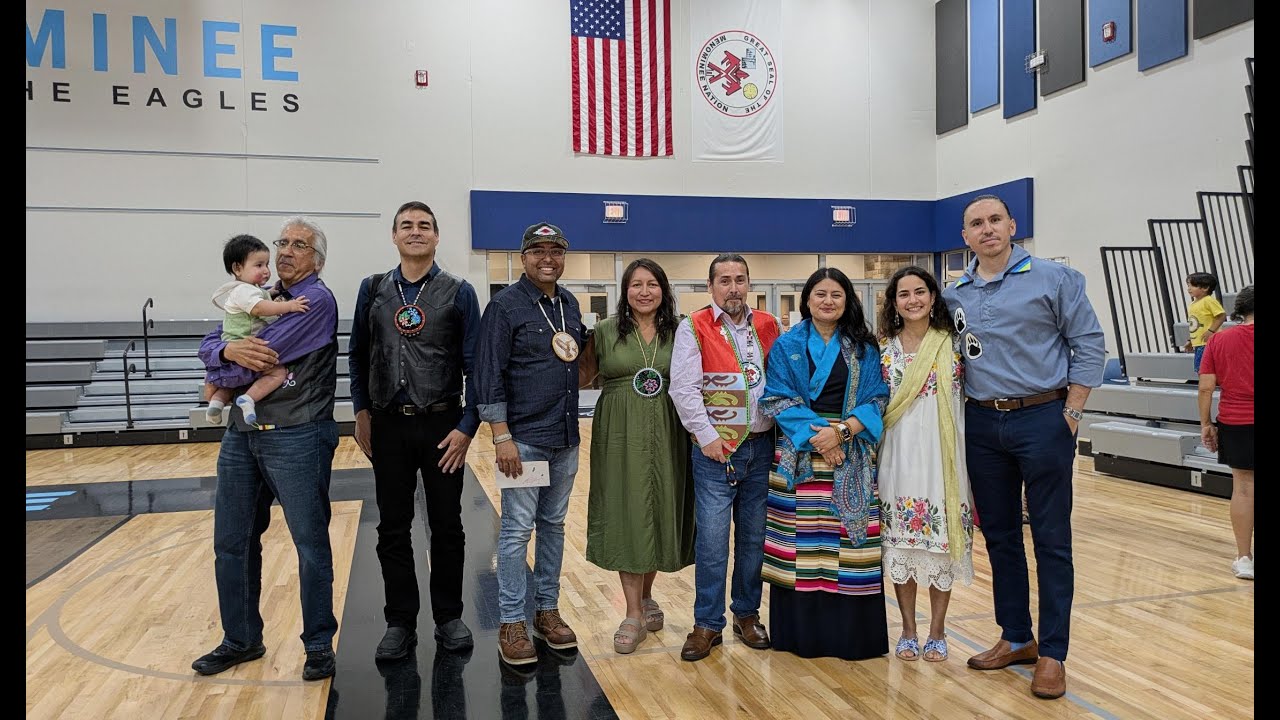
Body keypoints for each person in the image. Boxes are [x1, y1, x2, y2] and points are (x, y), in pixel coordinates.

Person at [943, 194, 1105, 700]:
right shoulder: (955, 294)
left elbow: (1090, 344)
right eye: (976, 223)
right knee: (1001, 539)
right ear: (965, 236)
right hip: (982, 424)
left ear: (1013, 225)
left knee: (1052, 541)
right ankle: (1016, 636)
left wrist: (1071, 414)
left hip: (1043, 417)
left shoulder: (1055, 279)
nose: (987, 229)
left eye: (995, 220)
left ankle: (1054, 653)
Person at [191, 216, 341, 681]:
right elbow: (214, 339)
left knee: (310, 544)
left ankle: (318, 644)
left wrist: (224, 364)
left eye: (299, 244)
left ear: (316, 258)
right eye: (282, 242)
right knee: (231, 542)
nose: (286, 251)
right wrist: (223, 354)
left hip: (297, 434)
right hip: (242, 434)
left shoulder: (312, 302)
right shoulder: (257, 295)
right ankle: (240, 639)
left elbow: (260, 356)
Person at [348, 201, 482, 660]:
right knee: (392, 527)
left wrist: (467, 427)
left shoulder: (460, 292)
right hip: (388, 424)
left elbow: (475, 366)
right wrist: (361, 411)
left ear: (437, 236)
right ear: (394, 236)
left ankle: (449, 617)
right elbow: (358, 356)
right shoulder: (372, 290)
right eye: (407, 225)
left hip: (444, 425)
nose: (416, 232)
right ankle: (400, 621)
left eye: (424, 226)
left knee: (447, 526)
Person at [758, 267, 889, 660]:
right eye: (820, 294)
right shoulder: (787, 345)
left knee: (849, 547)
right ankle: (802, 636)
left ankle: (851, 637)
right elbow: (777, 398)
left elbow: (878, 398)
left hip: (851, 453)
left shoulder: (864, 347)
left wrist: (843, 433)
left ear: (848, 300)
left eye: (836, 294)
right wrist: (821, 437)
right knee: (802, 545)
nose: (828, 301)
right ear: (807, 300)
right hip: (800, 458)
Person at [475, 221, 584, 666]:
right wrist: (501, 436)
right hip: (522, 440)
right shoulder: (504, 306)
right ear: (523, 258)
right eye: (538, 251)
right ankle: (511, 621)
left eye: (555, 251)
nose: (548, 259)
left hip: (565, 438)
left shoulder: (570, 304)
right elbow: (487, 373)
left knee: (554, 526)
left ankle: (547, 611)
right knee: (518, 529)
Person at [578, 258, 695, 654]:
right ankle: (632, 613)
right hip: (620, 432)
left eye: (652, 284)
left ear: (664, 290)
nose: (644, 291)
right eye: (635, 285)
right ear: (624, 291)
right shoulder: (604, 332)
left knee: (659, 507)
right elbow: (580, 376)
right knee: (629, 511)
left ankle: (646, 596)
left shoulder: (683, 332)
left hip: (669, 429)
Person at [669, 254, 782, 662]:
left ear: (749, 283)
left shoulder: (769, 325)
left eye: (740, 280)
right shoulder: (694, 326)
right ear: (711, 285)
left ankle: (746, 615)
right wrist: (707, 436)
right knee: (714, 542)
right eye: (724, 280)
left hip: (761, 445)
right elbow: (683, 389)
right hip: (716, 452)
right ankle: (706, 623)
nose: (733, 287)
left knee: (753, 540)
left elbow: (782, 379)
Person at [877, 265, 974, 663]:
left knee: (940, 545)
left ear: (934, 298)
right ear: (894, 303)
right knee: (902, 544)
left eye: (920, 292)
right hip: (898, 454)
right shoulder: (882, 349)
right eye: (904, 294)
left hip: (944, 455)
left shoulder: (953, 344)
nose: (913, 300)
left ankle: (937, 631)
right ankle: (908, 630)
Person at [204, 234, 310, 425]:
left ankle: (216, 404)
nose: (266, 271)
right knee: (278, 373)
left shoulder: (247, 290)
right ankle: (249, 399)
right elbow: (260, 308)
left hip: (233, 346)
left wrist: (271, 294)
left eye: (267, 264)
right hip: (244, 346)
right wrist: (289, 306)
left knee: (229, 383)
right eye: (259, 265)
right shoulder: (244, 291)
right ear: (237, 268)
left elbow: (261, 299)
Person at [1198, 285, 1254, 580]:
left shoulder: (1219, 340)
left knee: (1244, 488)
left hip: (1237, 420)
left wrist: (1206, 424)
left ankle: (1244, 558)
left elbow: (1206, 387)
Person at [1183, 272, 1227, 372]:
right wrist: (1191, 340)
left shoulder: (1208, 300)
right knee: (1201, 369)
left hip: (1208, 342)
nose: (1189, 288)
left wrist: (1211, 331)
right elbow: (1195, 325)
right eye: (1188, 286)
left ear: (1205, 288)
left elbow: (1221, 315)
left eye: (1192, 285)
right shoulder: (1193, 304)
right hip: (1199, 343)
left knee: (1203, 369)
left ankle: (1209, 386)